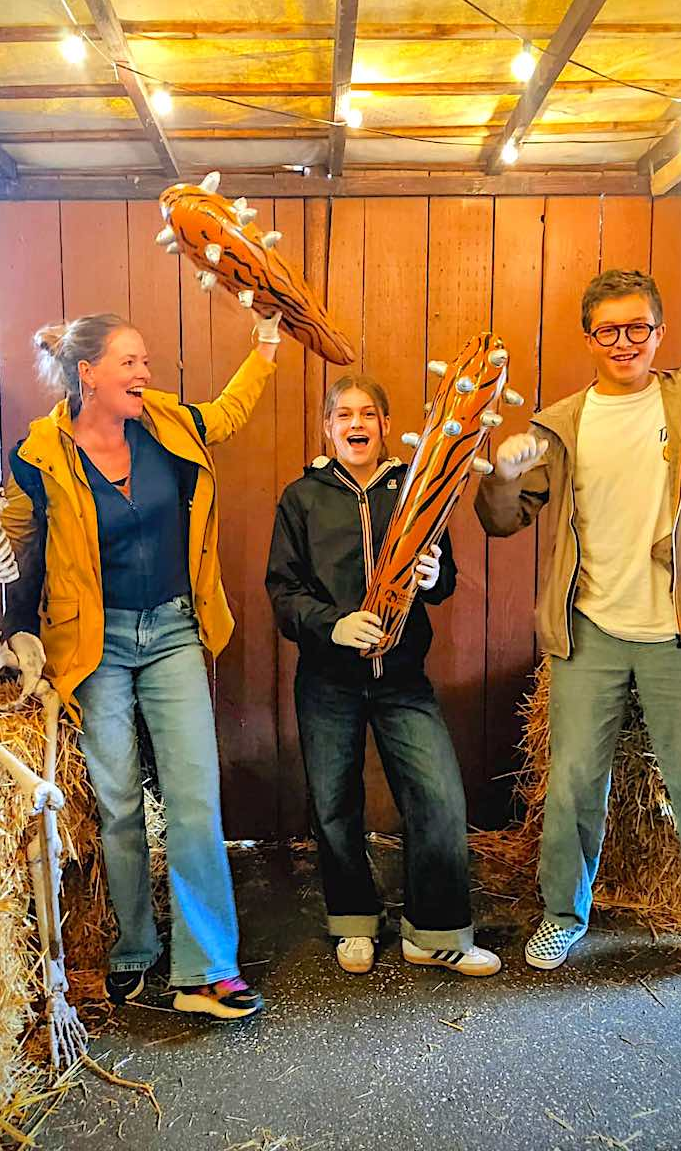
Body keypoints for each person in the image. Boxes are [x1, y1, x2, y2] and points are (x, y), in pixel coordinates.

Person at [474, 268, 681, 997]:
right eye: (609, 330)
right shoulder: (561, 423)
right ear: (589, 338)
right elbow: (502, 519)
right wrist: (499, 476)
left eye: (638, 327)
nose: (624, 341)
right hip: (589, 631)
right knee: (572, 787)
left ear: (659, 333)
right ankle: (562, 915)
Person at [2, 307, 283, 1018]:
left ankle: (206, 969)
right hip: (93, 646)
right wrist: (15, 638)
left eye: (146, 362)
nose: (144, 373)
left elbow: (226, 413)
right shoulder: (37, 456)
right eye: (130, 362)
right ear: (88, 373)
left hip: (174, 630)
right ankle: (134, 946)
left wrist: (266, 344)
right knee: (118, 802)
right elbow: (18, 551)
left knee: (194, 799)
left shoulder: (166, 424)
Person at [266, 374, 501, 977]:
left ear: (386, 424)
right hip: (328, 680)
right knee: (334, 804)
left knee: (438, 796)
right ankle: (354, 921)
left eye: (367, 413)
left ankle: (435, 932)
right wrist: (334, 625)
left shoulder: (416, 489)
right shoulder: (302, 498)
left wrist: (434, 576)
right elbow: (284, 594)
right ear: (328, 427)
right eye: (343, 414)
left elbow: (443, 582)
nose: (356, 423)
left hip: (402, 679)